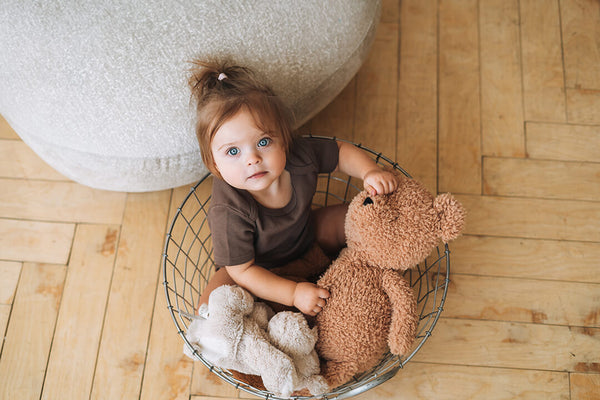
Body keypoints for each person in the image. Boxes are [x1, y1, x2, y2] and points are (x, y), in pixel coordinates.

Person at [189, 60, 399, 316]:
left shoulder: (299, 157)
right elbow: (243, 271)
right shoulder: (228, 210)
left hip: (307, 237)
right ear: (215, 165)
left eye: (264, 141)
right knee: (216, 300)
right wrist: (293, 292)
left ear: (284, 140)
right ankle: (217, 340)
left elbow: (341, 152)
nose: (252, 158)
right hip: (255, 270)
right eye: (233, 151)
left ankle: (389, 251)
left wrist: (370, 171)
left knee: (360, 215)